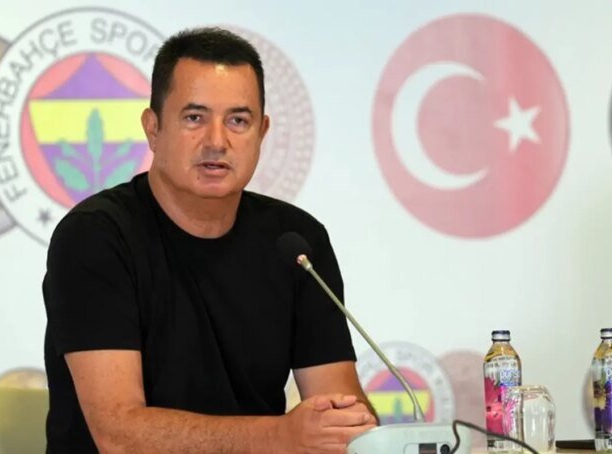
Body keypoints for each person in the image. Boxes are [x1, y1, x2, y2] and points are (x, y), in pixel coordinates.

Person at [43, 27, 377, 453]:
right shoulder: (96, 237)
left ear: (262, 132)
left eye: (238, 121)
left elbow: (342, 412)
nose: (217, 142)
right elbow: (119, 435)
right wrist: (281, 436)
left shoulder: (296, 243)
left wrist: (349, 428)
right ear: (153, 128)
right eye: (194, 118)